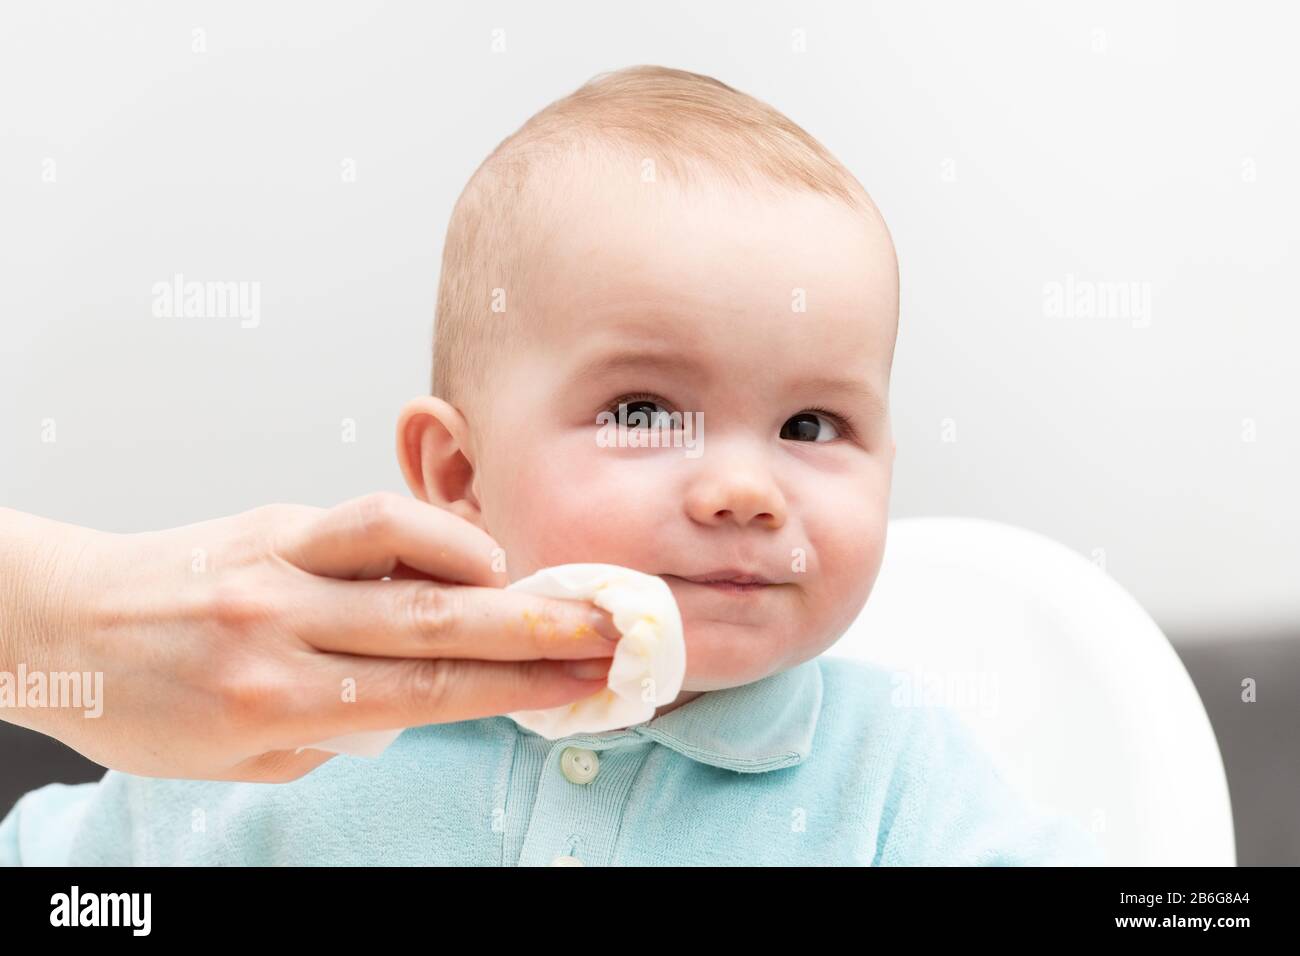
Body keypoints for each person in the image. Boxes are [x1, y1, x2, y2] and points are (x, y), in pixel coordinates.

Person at [1, 65, 1104, 866]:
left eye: (811, 426)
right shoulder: (311, 719)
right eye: (641, 408)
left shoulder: (892, 774)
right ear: (457, 471)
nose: (747, 488)